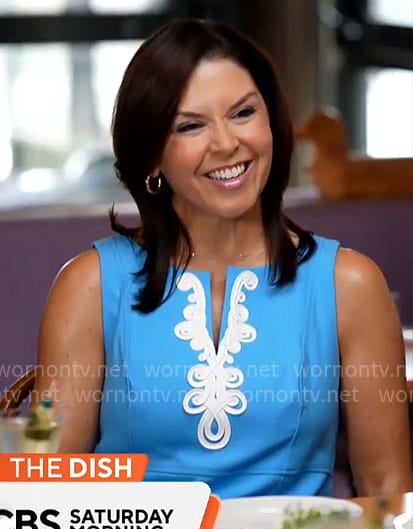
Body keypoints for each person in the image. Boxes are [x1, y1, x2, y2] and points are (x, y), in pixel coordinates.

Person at [33, 18, 412, 499]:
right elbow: (44, 491)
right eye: (190, 125)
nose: (226, 144)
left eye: (242, 113)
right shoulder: (88, 285)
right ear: (151, 157)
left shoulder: (351, 286)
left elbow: (387, 491)